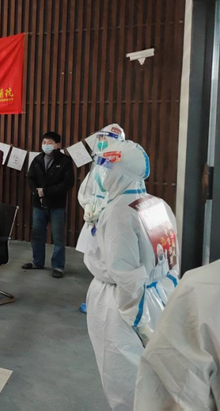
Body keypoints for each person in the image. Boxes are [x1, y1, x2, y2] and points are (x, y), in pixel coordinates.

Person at [83, 141, 179, 411]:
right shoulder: (157, 204)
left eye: (107, 169)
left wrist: (138, 320)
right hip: (158, 296)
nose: (101, 176)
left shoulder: (119, 211)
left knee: (123, 376)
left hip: (120, 304)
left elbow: (125, 274)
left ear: (121, 172)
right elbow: (171, 260)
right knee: (154, 375)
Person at [134, 259, 219, 411]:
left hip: (150, 297)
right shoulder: (200, 290)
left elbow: (176, 395)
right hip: (144, 297)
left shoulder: (199, 289)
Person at [23, 131, 74, 278]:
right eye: (44, 142)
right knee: (37, 235)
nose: (46, 145)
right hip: (38, 204)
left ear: (57, 145)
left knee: (58, 237)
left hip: (57, 204)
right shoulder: (37, 159)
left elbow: (67, 183)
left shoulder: (65, 161)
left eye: (49, 143)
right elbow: (30, 178)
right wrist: (37, 191)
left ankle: (58, 266)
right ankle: (37, 262)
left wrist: (46, 191)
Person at [76, 123, 126, 256]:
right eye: (100, 139)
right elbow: (87, 189)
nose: (100, 142)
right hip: (95, 218)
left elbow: (119, 194)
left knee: (109, 254)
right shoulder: (98, 165)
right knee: (92, 255)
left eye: (104, 139)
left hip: (113, 217)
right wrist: (88, 206)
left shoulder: (122, 167)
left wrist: (103, 210)